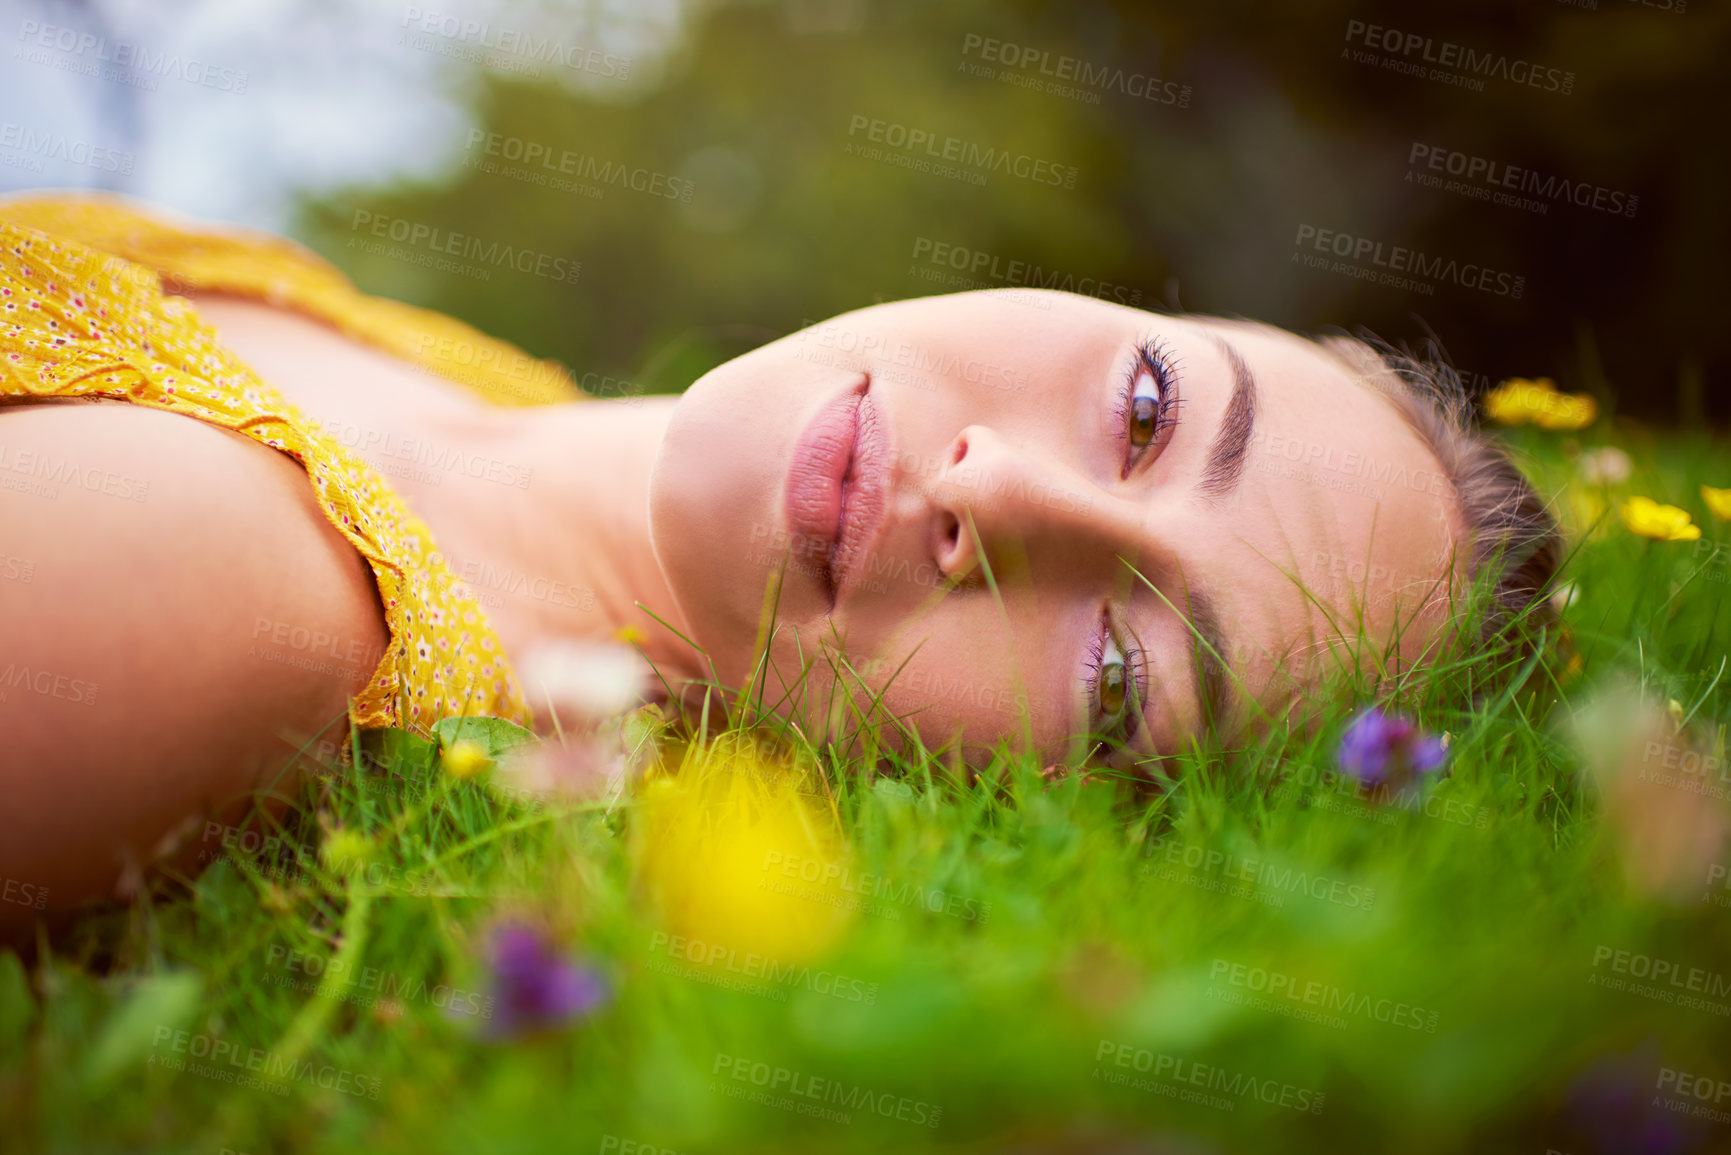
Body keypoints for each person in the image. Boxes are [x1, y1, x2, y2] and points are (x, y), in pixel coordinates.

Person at [0, 194, 1558, 917]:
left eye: (1112, 670)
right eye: (1147, 408)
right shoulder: (485, 382)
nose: (1001, 496)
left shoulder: (233, 604)